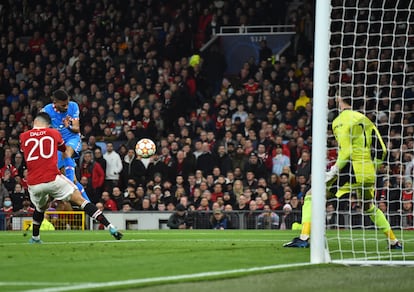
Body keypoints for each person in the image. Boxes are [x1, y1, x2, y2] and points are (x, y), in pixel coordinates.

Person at [284, 86, 401, 249]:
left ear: (339, 99)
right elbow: (382, 150)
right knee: (368, 206)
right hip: (368, 171)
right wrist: (372, 167)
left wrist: (334, 170)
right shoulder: (365, 119)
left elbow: (346, 151)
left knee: (311, 195)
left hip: (351, 168)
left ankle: (304, 237)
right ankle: (394, 241)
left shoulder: (340, 121)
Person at [19, 112, 122, 243]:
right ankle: (110, 227)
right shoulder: (53, 133)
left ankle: (35, 238)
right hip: (52, 178)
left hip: (33, 183)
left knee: (40, 208)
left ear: (35, 122)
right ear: (48, 124)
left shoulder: (23, 136)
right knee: (80, 200)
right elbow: (63, 149)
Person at [42, 89, 90, 201]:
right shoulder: (46, 111)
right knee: (73, 180)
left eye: (67, 103)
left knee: (67, 152)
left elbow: (76, 128)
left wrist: (68, 126)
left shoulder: (73, 106)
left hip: (72, 138)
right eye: (63, 105)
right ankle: (89, 205)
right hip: (57, 144)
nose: (66, 107)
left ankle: (70, 186)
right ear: (55, 102)